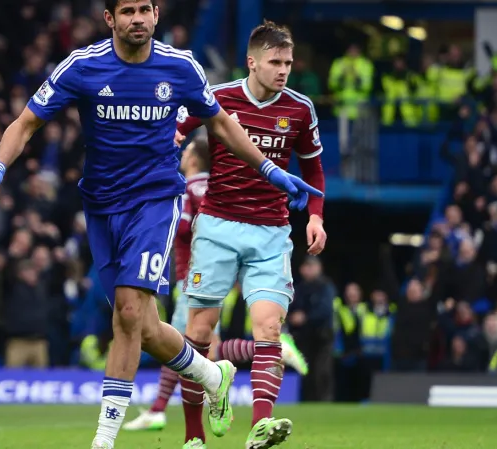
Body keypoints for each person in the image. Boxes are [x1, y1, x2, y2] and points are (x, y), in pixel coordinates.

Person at [0, 2, 322, 448]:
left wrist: (268, 169)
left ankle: (104, 439)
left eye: (145, 9)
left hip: (155, 201)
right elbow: (27, 122)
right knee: (144, 328)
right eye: (127, 10)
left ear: (156, 14)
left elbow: (222, 126)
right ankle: (213, 372)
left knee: (129, 312)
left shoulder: (181, 67)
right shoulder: (83, 67)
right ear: (110, 19)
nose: (138, 18)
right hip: (101, 208)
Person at [174, 21, 327, 448]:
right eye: (275, 62)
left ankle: (261, 425)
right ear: (252, 61)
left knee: (269, 330)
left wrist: (315, 217)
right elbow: (177, 132)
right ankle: (193, 436)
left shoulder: (299, 109)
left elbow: (313, 168)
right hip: (217, 226)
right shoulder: (219, 98)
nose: (283, 70)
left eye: (288, 62)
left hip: (271, 232)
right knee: (198, 335)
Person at [123, 138, 309, 437]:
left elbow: (183, 228)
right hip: (220, 273)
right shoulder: (223, 187)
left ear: (195, 159)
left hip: (194, 276)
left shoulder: (191, 188)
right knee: (199, 350)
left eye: (186, 152)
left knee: (179, 347)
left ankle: (165, 413)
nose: (182, 156)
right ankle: (168, 407)